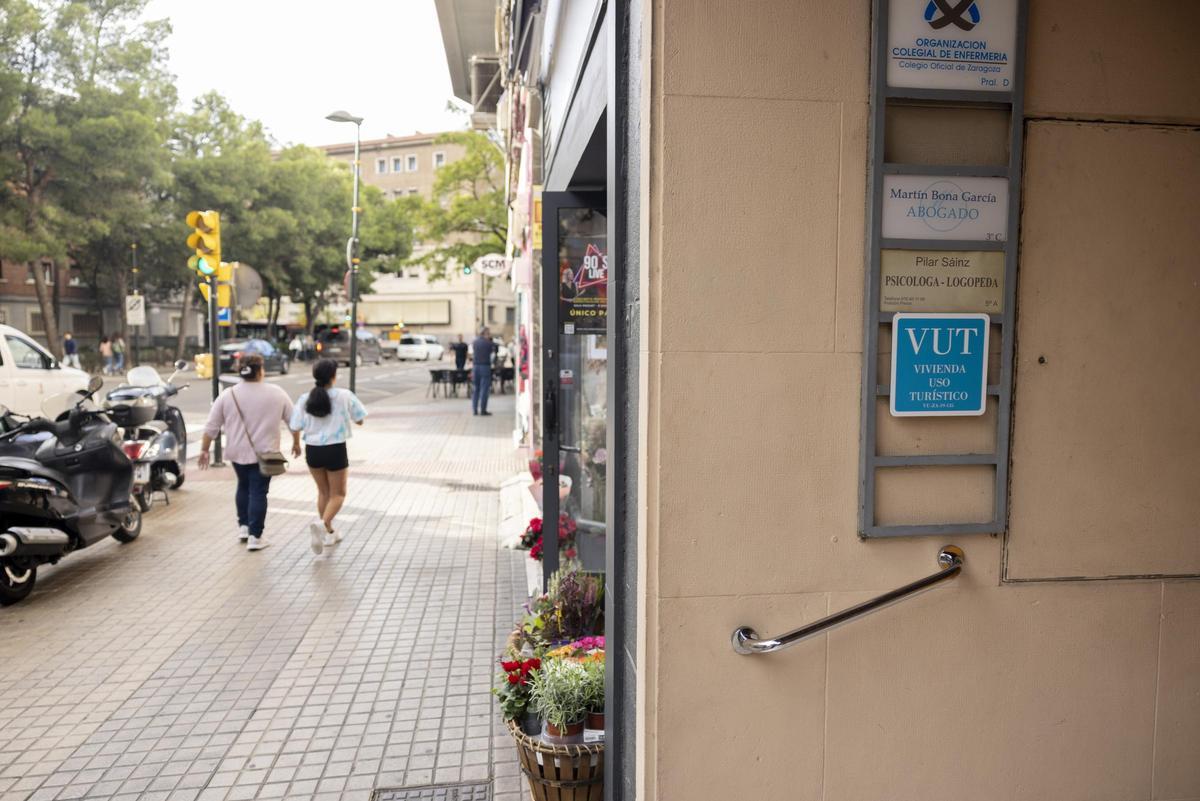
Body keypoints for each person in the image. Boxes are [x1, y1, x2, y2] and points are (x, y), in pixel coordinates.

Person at [198, 353, 299, 551]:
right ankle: (255, 536)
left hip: (236, 452)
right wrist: (296, 443)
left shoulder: (229, 394)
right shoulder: (276, 392)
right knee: (259, 492)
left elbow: (211, 426)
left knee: (243, 486)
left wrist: (204, 450)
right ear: (261, 370)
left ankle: (244, 526)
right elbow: (293, 421)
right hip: (266, 453)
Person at [289, 359, 367, 555]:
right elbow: (360, 419)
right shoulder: (344, 395)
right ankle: (322, 524)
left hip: (313, 450)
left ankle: (329, 532)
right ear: (333, 376)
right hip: (335, 449)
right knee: (338, 494)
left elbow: (295, 425)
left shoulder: (305, 398)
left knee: (323, 493)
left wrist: (296, 443)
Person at [471, 327, 495, 416]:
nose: (489, 335)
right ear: (485, 334)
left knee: (476, 389)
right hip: (485, 367)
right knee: (484, 389)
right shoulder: (488, 343)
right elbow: (493, 351)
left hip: (475, 367)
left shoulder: (475, 342)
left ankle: (474, 410)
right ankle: (483, 410)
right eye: (488, 334)